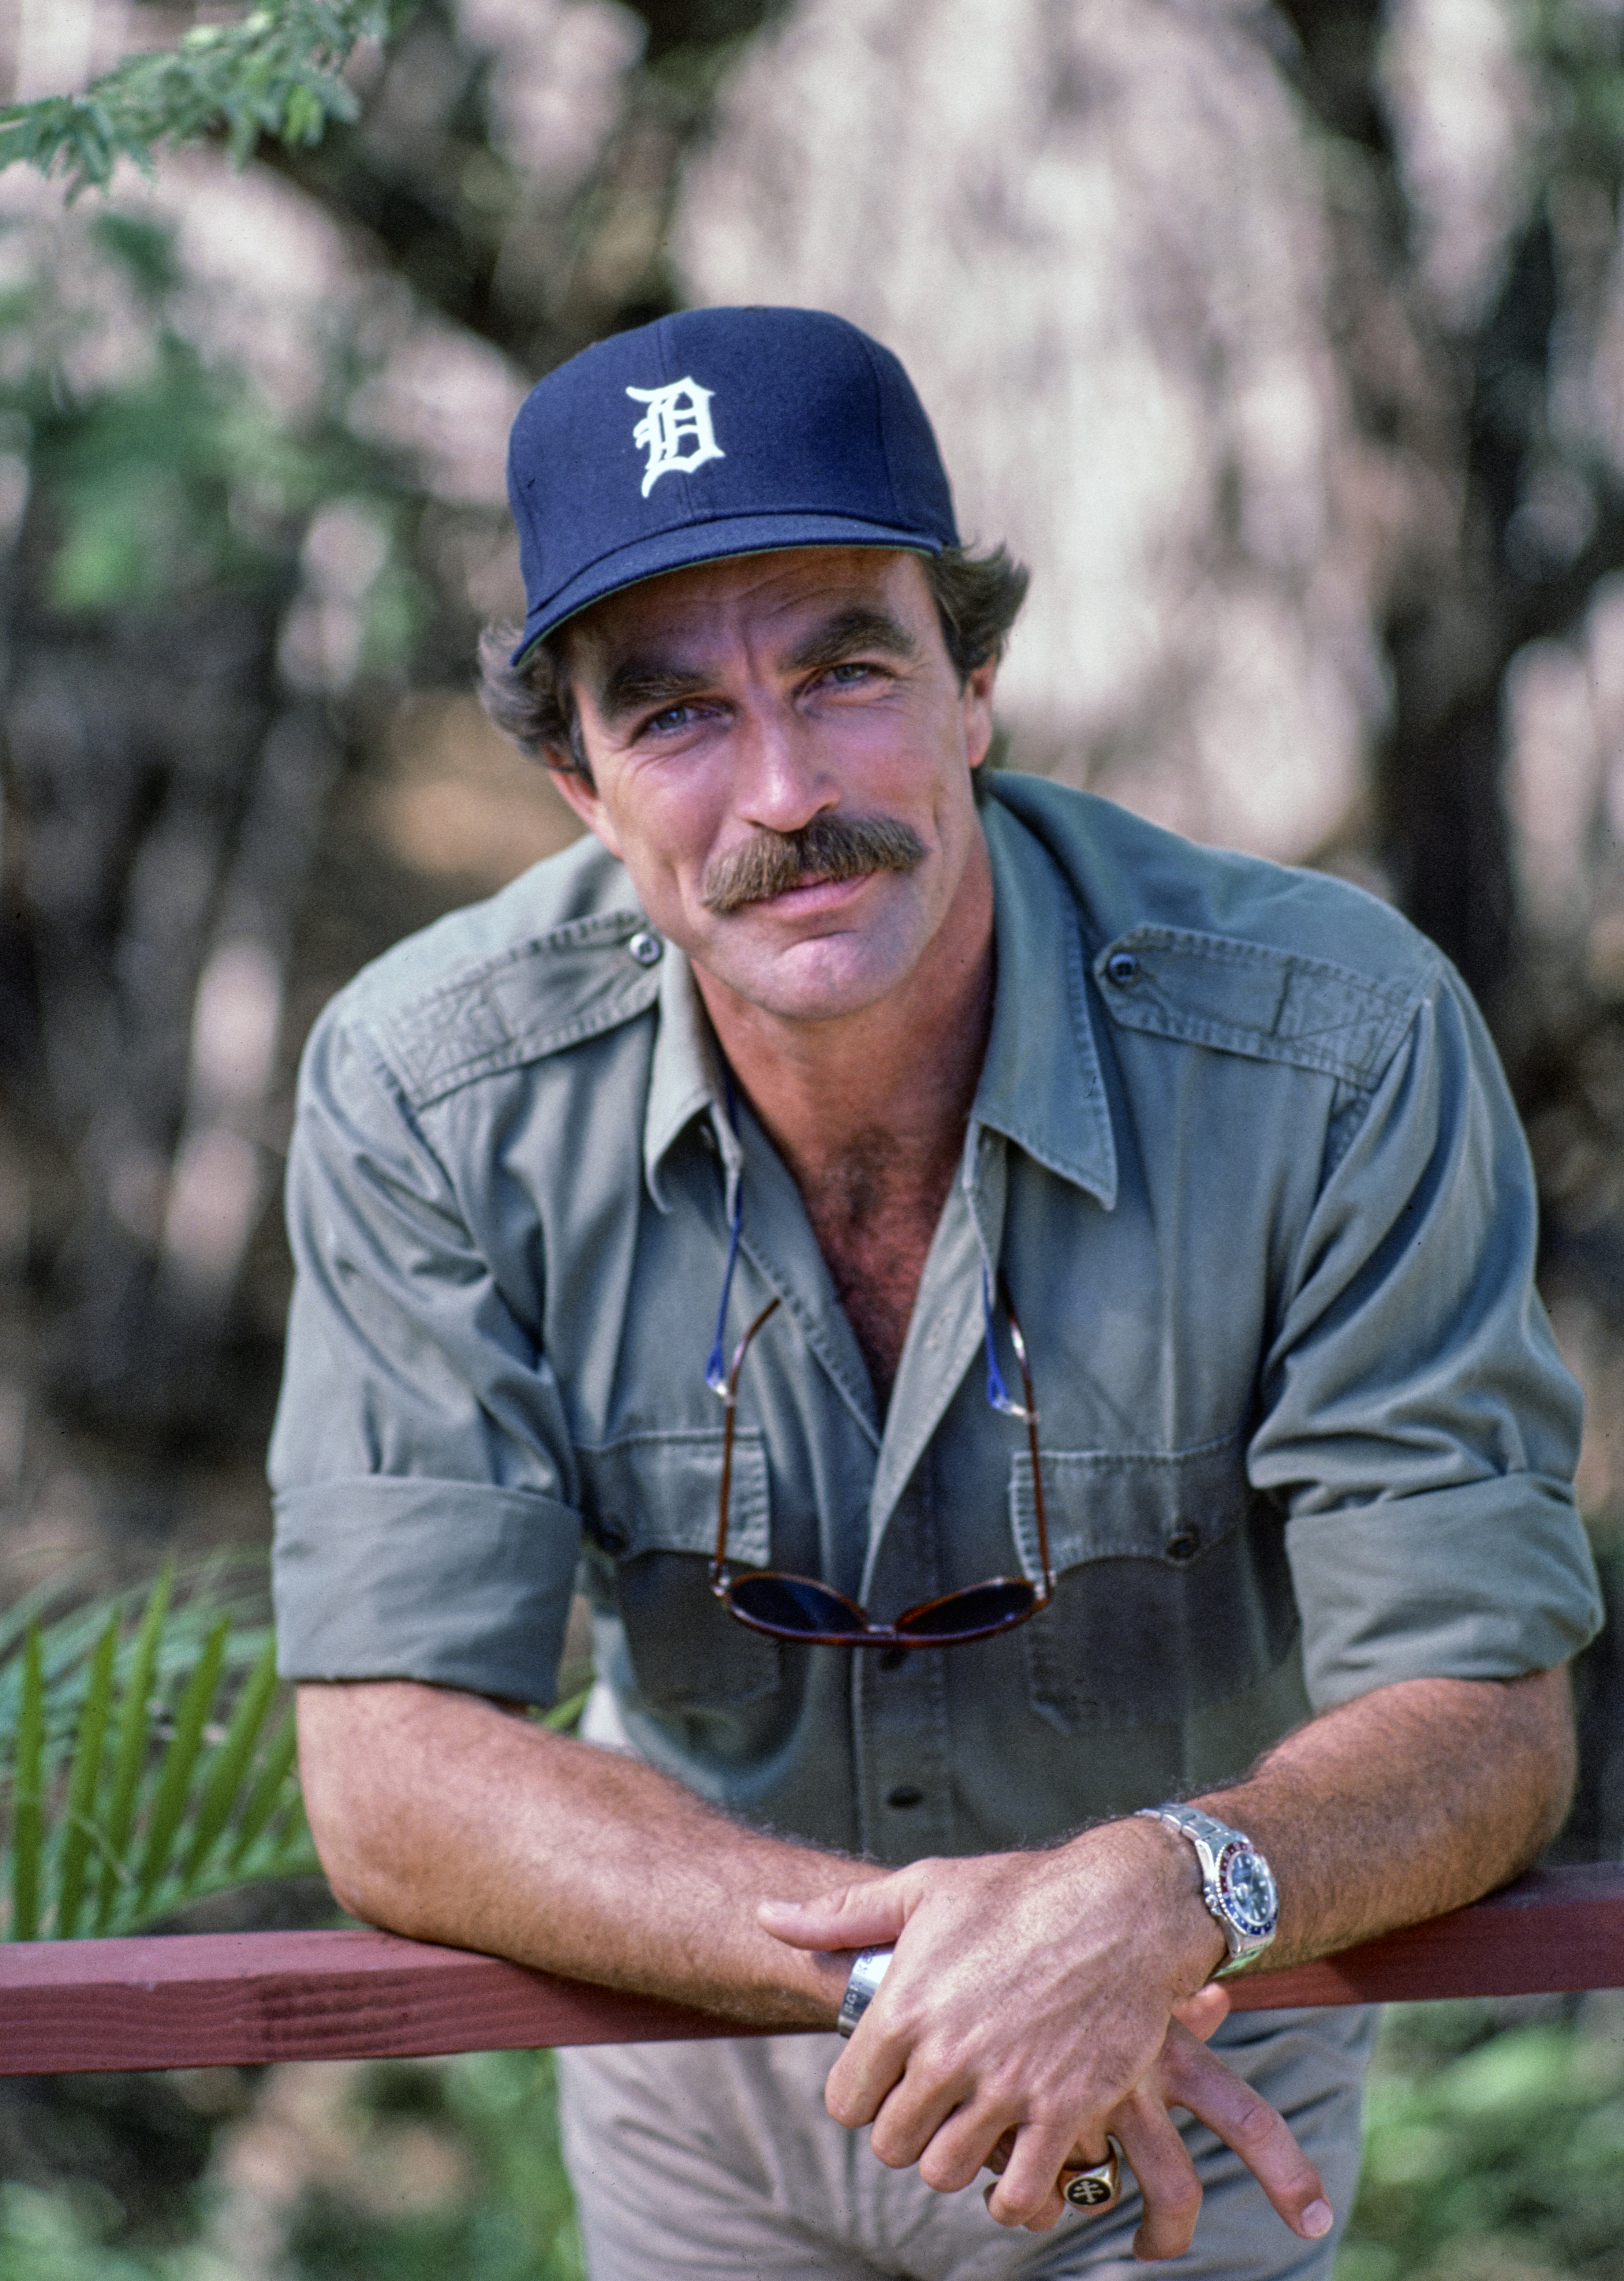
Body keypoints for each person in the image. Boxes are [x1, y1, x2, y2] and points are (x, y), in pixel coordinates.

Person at [270, 305, 1603, 2281]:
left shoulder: (1337, 1040)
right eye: (674, 715)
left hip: (1182, 2039)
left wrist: (1165, 1889)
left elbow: (1487, 1705)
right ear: (578, 782)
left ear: (974, 682)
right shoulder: (424, 1080)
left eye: (848, 670)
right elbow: (386, 1759)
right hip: (697, 2054)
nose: (789, 788)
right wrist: (946, 1965)